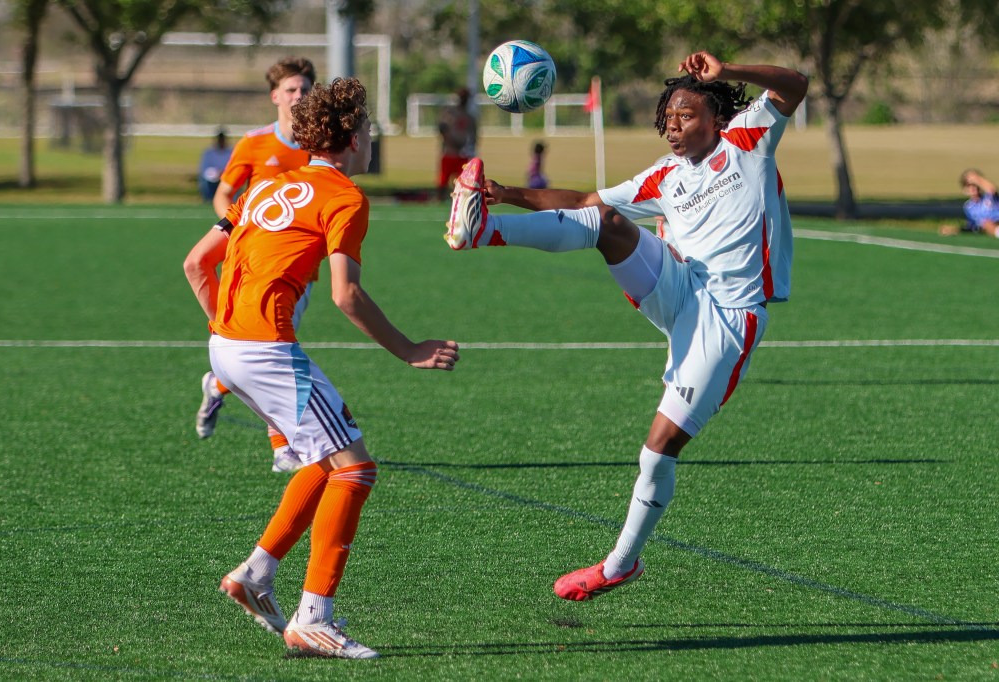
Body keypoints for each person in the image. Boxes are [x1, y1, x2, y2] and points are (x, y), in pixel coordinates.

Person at [445, 51, 808, 601]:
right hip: (679, 287)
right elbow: (586, 201)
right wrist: (507, 193)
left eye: (685, 116)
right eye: (667, 119)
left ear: (715, 116)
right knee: (608, 221)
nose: (673, 127)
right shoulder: (664, 176)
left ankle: (620, 563)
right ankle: (484, 231)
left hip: (728, 318)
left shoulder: (748, 139)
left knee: (657, 451)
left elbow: (795, 84)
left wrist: (728, 69)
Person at [185, 77, 460, 658]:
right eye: (368, 130)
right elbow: (346, 295)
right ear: (351, 136)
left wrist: (228, 332)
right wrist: (409, 349)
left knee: (325, 456)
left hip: (226, 347)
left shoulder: (266, 187)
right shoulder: (344, 198)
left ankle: (255, 574)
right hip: (264, 350)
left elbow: (195, 264)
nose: (370, 141)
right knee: (356, 469)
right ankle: (314, 617)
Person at [190, 57, 316, 473]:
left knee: (265, 349)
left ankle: (216, 383)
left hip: (299, 266)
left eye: (305, 89)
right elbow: (224, 194)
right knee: (272, 349)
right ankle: (282, 446)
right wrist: (242, 231)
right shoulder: (255, 142)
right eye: (292, 89)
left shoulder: (319, 146)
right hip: (253, 263)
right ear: (275, 96)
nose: (299, 96)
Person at [437, 87, 478, 202]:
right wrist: (450, 140)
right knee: (443, 179)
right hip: (450, 152)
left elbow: (474, 135)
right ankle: (440, 199)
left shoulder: (469, 117)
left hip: (463, 154)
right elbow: (442, 128)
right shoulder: (450, 113)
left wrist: (470, 147)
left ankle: (460, 201)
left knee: (464, 182)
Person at [939, 169, 999, 237]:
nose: (973, 188)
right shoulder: (969, 207)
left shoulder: (988, 197)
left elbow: (992, 189)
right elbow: (972, 227)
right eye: (969, 186)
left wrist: (977, 179)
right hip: (992, 230)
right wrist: (954, 229)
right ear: (965, 189)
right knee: (986, 224)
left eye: (975, 185)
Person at [198, 129, 233, 201]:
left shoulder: (231, 152)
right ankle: (209, 200)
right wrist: (215, 173)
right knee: (205, 182)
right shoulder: (209, 152)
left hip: (226, 177)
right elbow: (205, 169)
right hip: (212, 177)